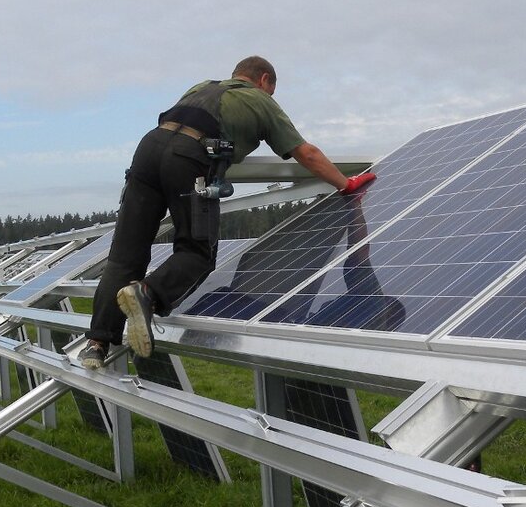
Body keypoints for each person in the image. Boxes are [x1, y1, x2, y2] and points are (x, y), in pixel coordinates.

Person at [79, 56, 376, 369]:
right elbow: (307, 153)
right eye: (271, 90)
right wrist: (346, 184)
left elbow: (175, 133)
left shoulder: (201, 87)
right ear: (264, 81)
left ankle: (96, 345)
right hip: (189, 157)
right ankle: (147, 293)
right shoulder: (260, 101)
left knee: (125, 257)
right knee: (198, 253)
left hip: (147, 150)